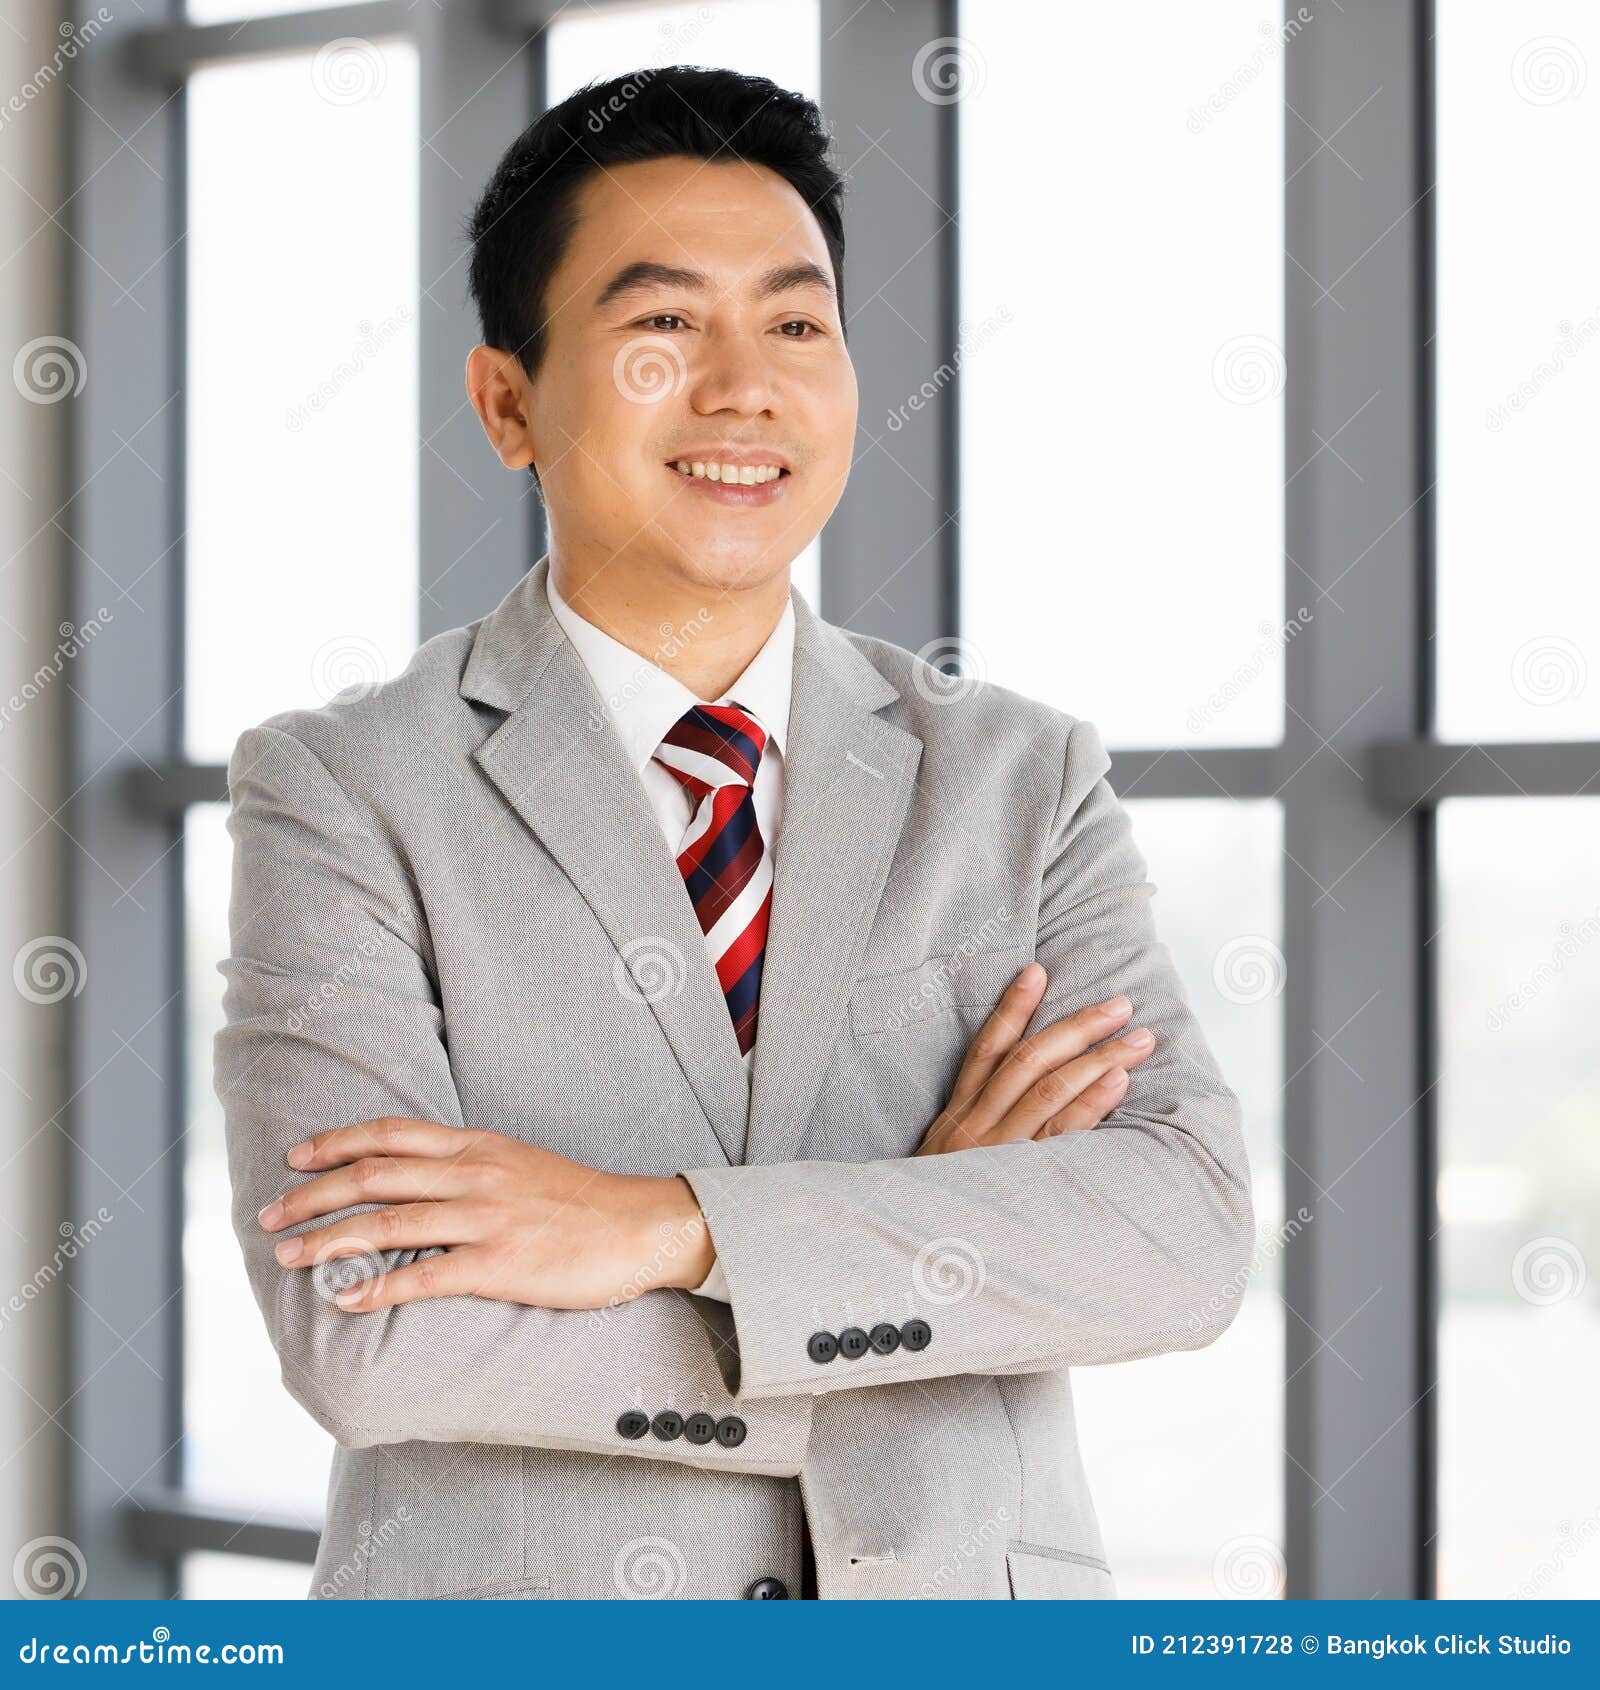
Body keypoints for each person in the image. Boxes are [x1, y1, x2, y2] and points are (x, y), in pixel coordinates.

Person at [216, 65, 1253, 1602]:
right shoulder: (344, 787)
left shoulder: (1020, 777)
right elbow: (375, 1332)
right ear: (509, 401)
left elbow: (1183, 1235)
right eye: (660, 327)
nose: (742, 387)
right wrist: (939, 1245)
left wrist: (663, 1228)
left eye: (794, 322)